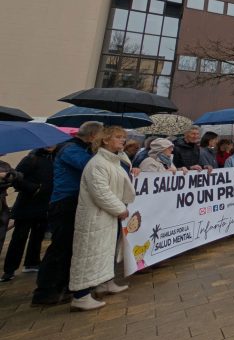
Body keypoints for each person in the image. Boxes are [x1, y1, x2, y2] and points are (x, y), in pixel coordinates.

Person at [31, 121, 102, 306]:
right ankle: (45, 291)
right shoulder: (70, 149)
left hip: (78, 201)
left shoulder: (80, 149)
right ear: (93, 135)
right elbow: (90, 167)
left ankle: (64, 286)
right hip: (65, 203)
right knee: (60, 247)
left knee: (72, 247)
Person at [68, 126, 135, 311]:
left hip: (108, 215)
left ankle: (105, 282)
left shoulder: (116, 160)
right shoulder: (97, 163)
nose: (123, 140)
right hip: (97, 216)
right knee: (90, 252)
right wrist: (120, 208)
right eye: (119, 137)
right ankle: (81, 296)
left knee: (106, 250)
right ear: (105, 140)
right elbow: (101, 192)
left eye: (124, 137)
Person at [1, 146, 53, 282]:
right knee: (19, 237)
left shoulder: (54, 159)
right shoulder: (30, 159)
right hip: (27, 205)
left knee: (38, 235)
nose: (51, 146)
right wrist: (34, 188)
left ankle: (32, 262)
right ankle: (9, 270)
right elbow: (16, 179)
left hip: (44, 204)